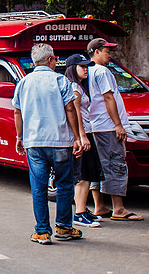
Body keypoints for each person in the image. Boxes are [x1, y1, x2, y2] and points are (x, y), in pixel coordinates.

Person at [13, 43, 87, 244]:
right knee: (64, 185)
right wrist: (77, 137)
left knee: (38, 188)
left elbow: (17, 112)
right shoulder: (59, 80)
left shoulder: (24, 82)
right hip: (60, 142)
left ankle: (42, 232)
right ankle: (63, 228)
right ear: (49, 60)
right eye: (54, 58)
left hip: (34, 143)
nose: (55, 61)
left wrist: (20, 137)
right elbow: (70, 109)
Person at [86, 38, 144, 221]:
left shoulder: (87, 70)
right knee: (116, 164)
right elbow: (108, 98)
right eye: (106, 51)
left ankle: (99, 206)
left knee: (98, 166)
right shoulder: (102, 71)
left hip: (94, 126)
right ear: (96, 52)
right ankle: (118, 208)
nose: (109, 55)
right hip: (107, 126)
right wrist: (118, 125)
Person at [64, 54, 104, 227]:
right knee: (83, 175)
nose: (86, 69)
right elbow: (76, 113)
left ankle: (81, 209)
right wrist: (82, 136)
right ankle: (79, 213)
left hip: (85, 132)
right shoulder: (74, 88)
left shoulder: (78, 86)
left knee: (86, 173)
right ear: (73, 69)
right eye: (82, 67)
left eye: (87, 66)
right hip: (83, 134)